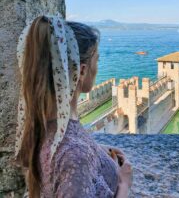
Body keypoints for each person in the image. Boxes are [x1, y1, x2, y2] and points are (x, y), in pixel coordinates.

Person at [15, 15, 133, 198]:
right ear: (82, 71)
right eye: (97, 61)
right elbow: (72, 158)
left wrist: (96, 150)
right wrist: (124, 184)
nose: (98, 68)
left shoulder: (43, 127)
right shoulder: (75, 156)